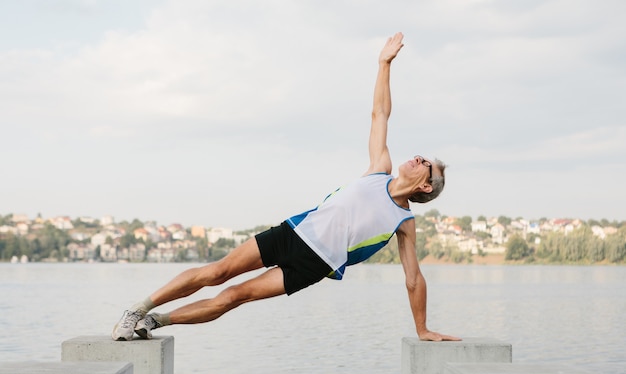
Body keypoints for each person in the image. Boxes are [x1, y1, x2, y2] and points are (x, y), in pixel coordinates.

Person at [112, 32, 460, 343]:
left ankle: (154, 322)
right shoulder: (378, 170)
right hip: (293, 233)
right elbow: (379, 114)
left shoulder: (403, 222)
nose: (417, 158)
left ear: (427, 186)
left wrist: (423, 329)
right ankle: (137, 309)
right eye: (420, 156)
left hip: (313, 266)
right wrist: (384, 64)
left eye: (425, 163)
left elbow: (413, 279)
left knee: (234, 297)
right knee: (217, 272)